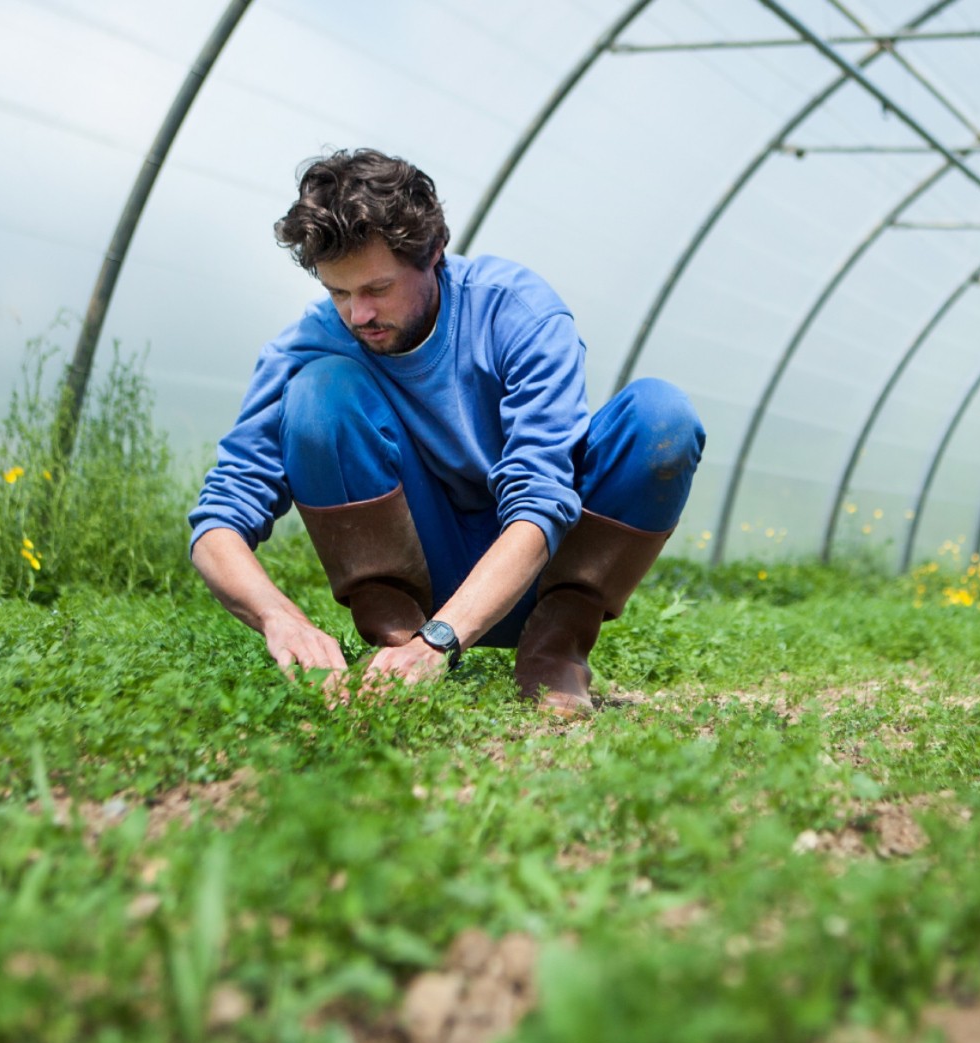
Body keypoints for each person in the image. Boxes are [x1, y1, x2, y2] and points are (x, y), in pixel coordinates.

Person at [188, 148, 704, 714]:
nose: (358, 315)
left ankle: (553, 650)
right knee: (317, 391)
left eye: (377, 289)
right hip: (420, 566)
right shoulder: (307, 344)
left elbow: (539, 497)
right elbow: (219, 520)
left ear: (434, 253)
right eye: (339, 292)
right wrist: (280, 619)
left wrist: (445, 638)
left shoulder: (518, 314)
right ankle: (395, 648)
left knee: (663, 417)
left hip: (543, 563)